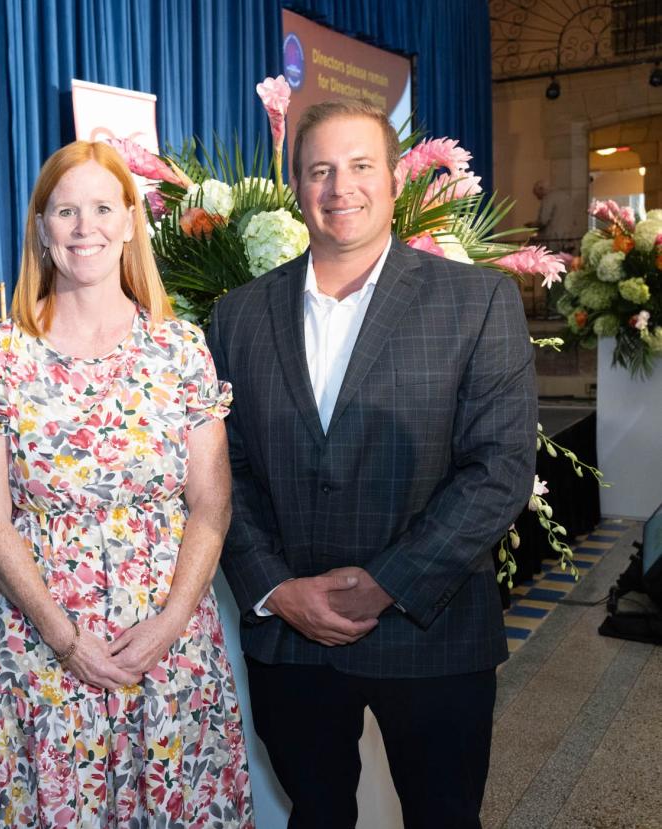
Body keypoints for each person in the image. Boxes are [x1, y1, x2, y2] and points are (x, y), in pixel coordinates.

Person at [207, 99, 537, 829]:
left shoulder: (477, 300)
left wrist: (388, 584)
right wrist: (275, 588)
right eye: (320, 169)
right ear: (296, 185)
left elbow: (500, 467)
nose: (340, 187)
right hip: (291, 637)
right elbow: (221, 470)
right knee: (315, 815)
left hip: (433, 628)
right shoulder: (237, 316)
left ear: (393, 181)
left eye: (360, 166)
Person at [0, 140, 253, 826]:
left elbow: (211, 505)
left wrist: (172, 621)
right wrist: (65, 638)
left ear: (128, 222)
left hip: (168, 646)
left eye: (100, 208)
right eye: (65, 211)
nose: (83, 226)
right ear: (41, 229)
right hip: (45, 650)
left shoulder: (179, 349)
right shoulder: (1, 355)